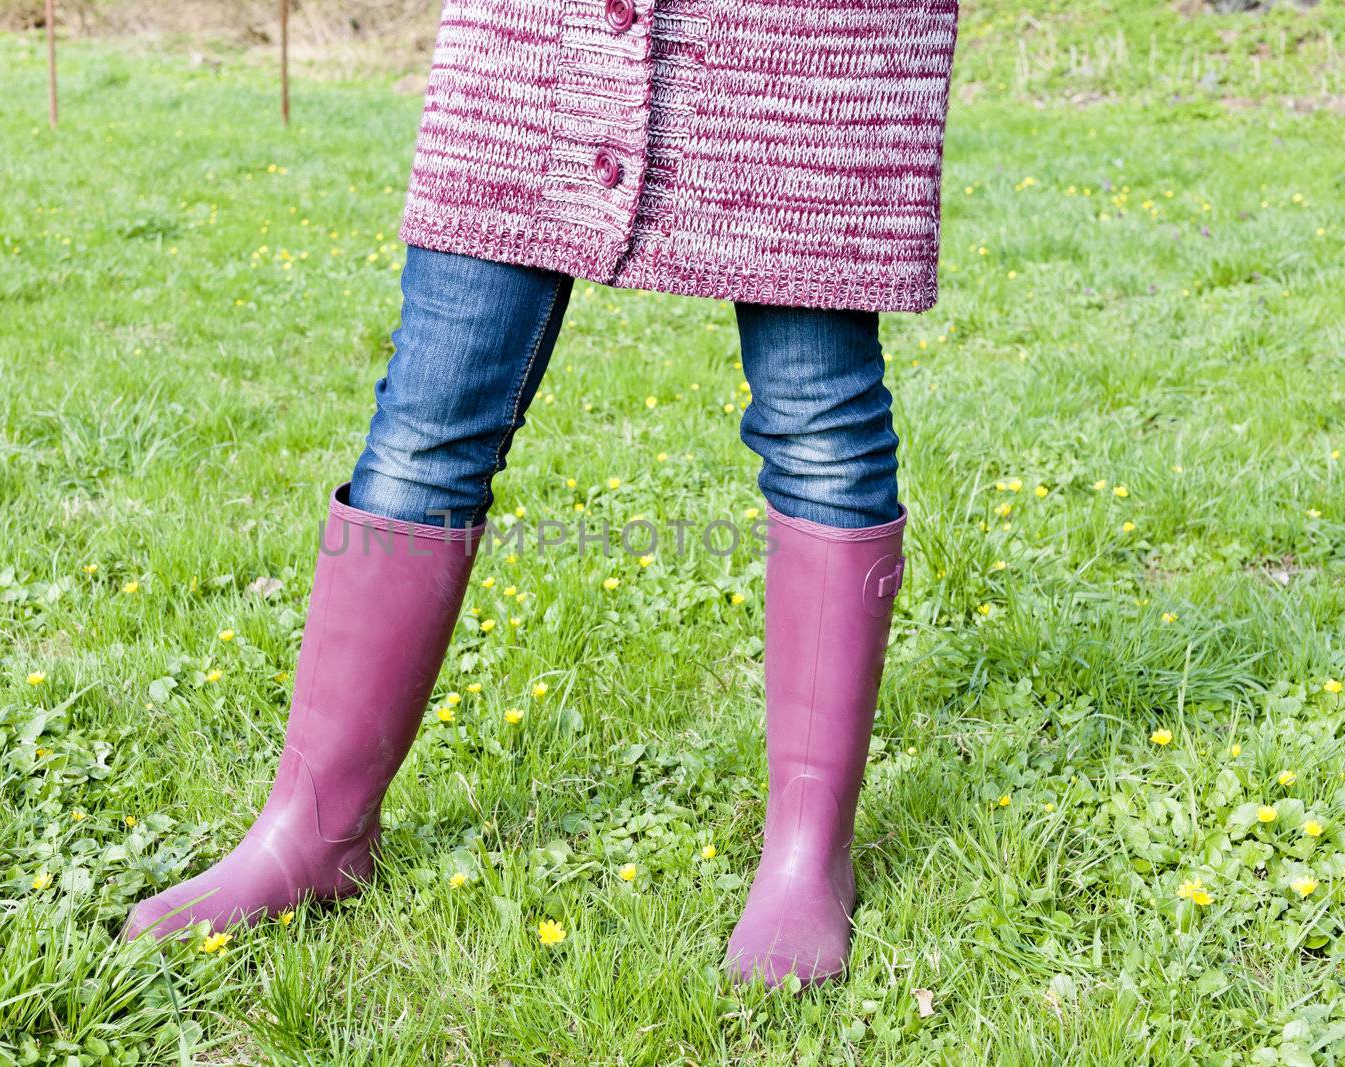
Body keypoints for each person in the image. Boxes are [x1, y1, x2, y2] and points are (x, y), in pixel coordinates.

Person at [128, 0, 958, 989]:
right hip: (540, 37)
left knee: (818, 419)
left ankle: (806, 852)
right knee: (429, 417)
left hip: (803, 51)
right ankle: (312, 831)